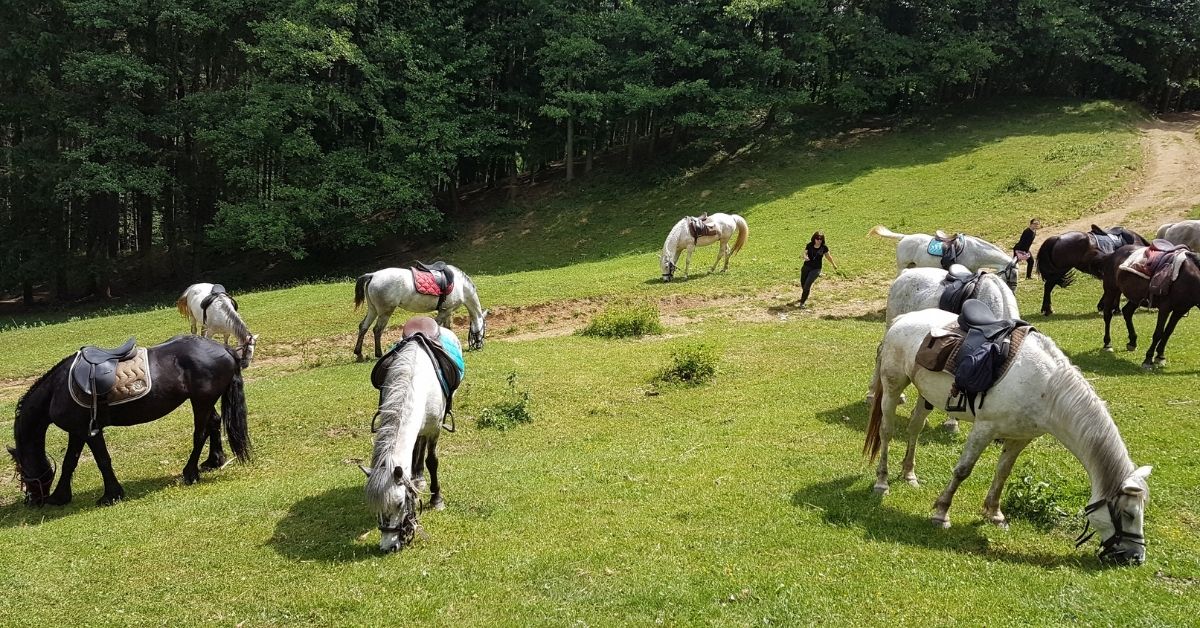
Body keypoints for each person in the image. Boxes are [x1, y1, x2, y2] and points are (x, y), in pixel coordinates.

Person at [798, 231, 838, 308]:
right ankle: (805, 295)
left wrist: (833, 264)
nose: (819, 240)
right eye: (817, 239)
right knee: (803, 283)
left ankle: (802, 302)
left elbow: (828, 256)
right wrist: (805, 257)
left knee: (807, 285)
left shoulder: (824, 247)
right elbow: (804, 253)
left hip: (816, 269)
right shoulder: (809, 245)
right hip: (806, 267)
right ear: (814, 238)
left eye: (821, 239)